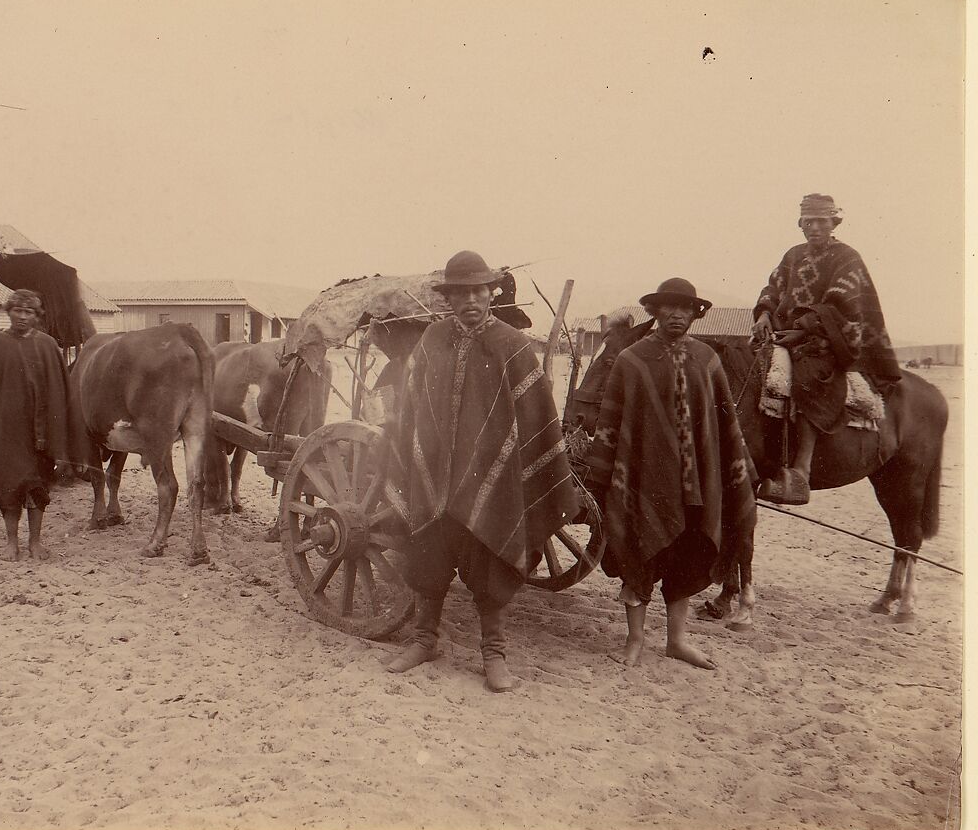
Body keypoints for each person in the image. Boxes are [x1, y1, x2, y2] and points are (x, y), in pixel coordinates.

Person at [384, 251, 578, 692]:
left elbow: (535, 416)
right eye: (460, 293)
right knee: (429, 556)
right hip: (435, 476)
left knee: (489, 564)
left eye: (478, 291)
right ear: (449, 297)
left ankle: (494, 653)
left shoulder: (512, 345)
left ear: (491, 293)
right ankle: (424, 639)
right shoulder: (432, 340)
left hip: (493, 480)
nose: (470, 300)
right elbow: (412, 406)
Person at [586, 278, 757, 670]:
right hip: (641, 480)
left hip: (695, 484)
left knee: (687, 553)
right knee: (638, 552)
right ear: (655, 311)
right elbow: (610, 420)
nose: (677, 314)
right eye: (669, 307)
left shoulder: (707, 361)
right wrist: (601, 476)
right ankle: (635, 640)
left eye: (685, 308)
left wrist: (733, 473)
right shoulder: (631, 360)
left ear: (695, 313)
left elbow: (726, 424)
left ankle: (677, 640)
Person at [750, 193, 902, 505]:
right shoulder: (792, 255)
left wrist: (803, 328)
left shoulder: (847, 257)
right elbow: (773, 287)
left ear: (833, 223)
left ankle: (801, 469)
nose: (815, 227)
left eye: (821, 221)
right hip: (784, 331)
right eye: (809, 222)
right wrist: (765, 313)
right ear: (801, 224)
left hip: (826, 338)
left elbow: (841, 303)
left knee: (810, 374)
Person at [0, 290, 72, 562]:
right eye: (17, 311)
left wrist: (61, 435)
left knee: (38, 485)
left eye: (29, 312)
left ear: (37, 316)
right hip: (7, 429)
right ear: (9, 312)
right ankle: (11, 542)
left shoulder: (49, 345)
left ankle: (35, 543)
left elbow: (63, 392)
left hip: (41, 431)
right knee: (9, 486)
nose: (22, 317)